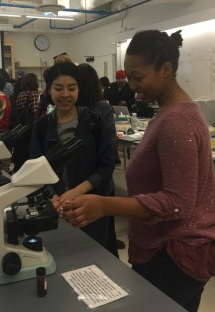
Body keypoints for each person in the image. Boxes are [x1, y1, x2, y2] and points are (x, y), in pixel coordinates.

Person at [61, 30, 215, 312]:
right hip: (177, 250)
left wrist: (105, 205)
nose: (131, 85)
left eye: (138, 77)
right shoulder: (173, 113)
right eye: (128, 77)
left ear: (166, 69)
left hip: (172, 254)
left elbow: (177, 202)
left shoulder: (176, 122)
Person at [30, 62, 116, 248]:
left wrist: (76, 192)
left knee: (93, 259)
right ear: (49, 90)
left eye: (72, 88)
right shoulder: (41, 127)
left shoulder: (95, 122)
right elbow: (35, 169)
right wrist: (52, 197)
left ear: (79, 89)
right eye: (58, 88)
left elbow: (107, 166)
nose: (65, 94)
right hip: (55, 207)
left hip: (89, 207)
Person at [78, 63, 124, 254]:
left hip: (92, 177)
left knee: (96, 233)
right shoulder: (99, 106)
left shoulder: (97, 108)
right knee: (102, 232)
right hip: (98, 177)